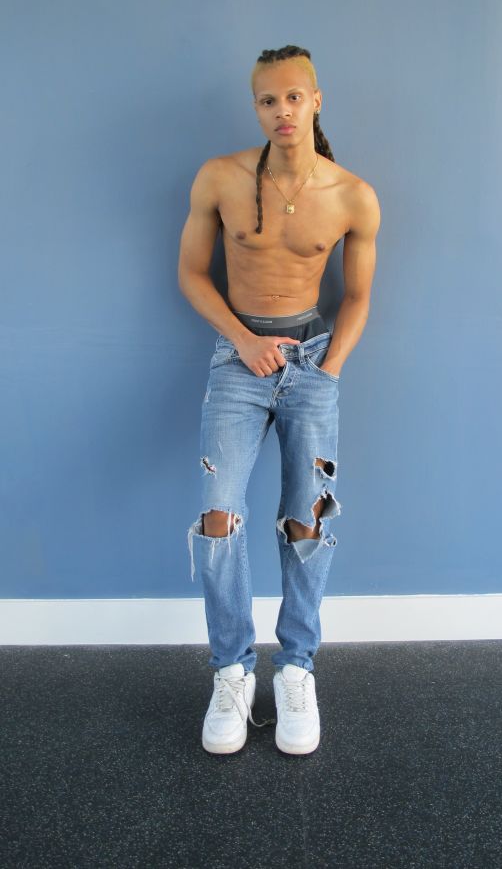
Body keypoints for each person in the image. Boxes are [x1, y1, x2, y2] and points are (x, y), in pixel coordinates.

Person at [177, 45, 380, 755]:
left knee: (306, 521)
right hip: (238, 361)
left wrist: (328, 371)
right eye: (268, 100)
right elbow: (192, 273)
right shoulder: (220, 177)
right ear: (256, 107)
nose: (282, 111)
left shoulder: (353, 194)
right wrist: (242, 339)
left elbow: (357, 296)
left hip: (312, 364)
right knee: (218, 516)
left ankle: (296, 668)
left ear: (315, 100)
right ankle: (231, 670)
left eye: (294, 97)